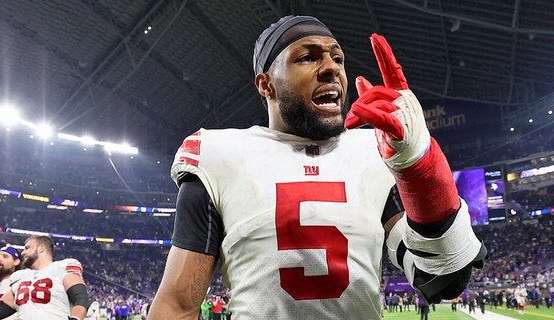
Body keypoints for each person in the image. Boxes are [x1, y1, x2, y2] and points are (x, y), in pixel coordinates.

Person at [148, 15, 486, 319]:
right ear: (266, 85)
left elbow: (442, 280)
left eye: (337, 58)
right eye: (308, 57)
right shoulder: (219, 156)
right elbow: (177, 306)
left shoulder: (374, 153)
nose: (331, 68)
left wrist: (420, 169)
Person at [0, 235, 90, 320]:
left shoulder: (61, 266)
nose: (23, 252)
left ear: (41, 248)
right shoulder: (20, 277)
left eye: (27, 248)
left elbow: (80, 298)